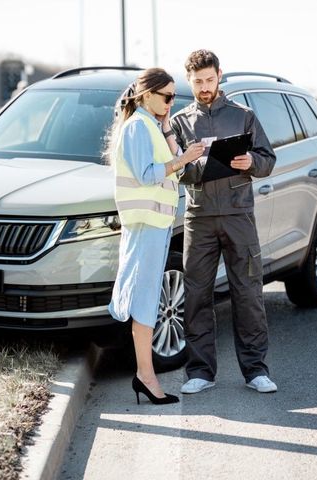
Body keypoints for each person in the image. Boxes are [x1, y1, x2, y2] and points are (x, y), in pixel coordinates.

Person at [167, 50, 278, 394]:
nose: (204, 87)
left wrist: (250, 163)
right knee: (197, 295)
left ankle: (256, 371)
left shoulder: (243, 116)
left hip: (238, 216)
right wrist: (196, 164)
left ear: (219, 76)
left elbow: (267, 159)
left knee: (247, 293)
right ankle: (200, 372)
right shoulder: (181, 122)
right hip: (198, 218)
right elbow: (176, 170)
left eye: (209, 80)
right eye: (198, 82)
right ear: (190, 81)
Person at [106, 68, 205, 405]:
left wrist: (167, 131)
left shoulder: (151, 125)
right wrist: (183, 159)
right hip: (146, 225)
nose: (171, 103)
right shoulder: (136, 128)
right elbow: (147, 175)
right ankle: (146, 376)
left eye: (175, 97)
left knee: (147, 296)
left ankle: (145, 375)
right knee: (145, 298)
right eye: (166, 96)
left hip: (156, 224)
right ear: (146, 95)